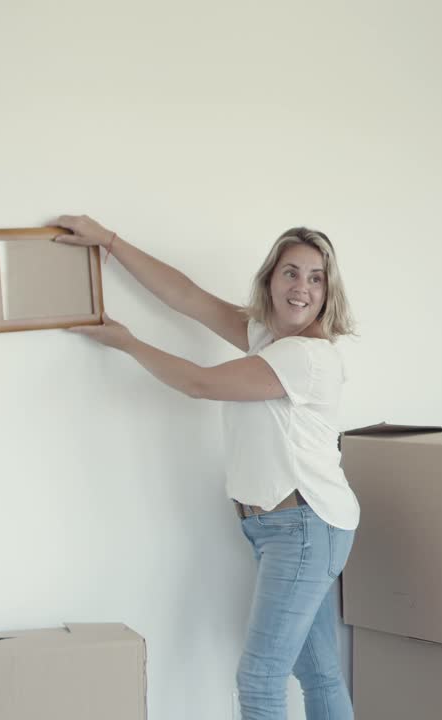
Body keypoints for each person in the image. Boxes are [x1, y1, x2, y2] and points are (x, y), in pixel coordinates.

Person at [54, 216, 359, 720]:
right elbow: (187, 297)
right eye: (290, 272)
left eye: (315, 277)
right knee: (318, 673)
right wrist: (108, 242)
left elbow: (200, 382)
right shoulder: (268, 339)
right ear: (270, 279)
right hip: (287, 527)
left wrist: (129, 343)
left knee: (260, 682)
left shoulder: (307, 357)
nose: (301, 287)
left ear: (329, 292)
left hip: (305, 526)